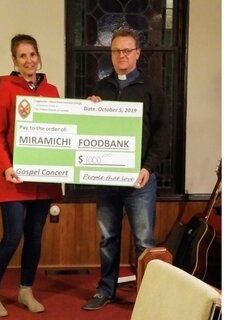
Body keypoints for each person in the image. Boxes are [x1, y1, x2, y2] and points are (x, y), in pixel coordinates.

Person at [82, 28, 170, 311]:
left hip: (139, 180)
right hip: (107, 179)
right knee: (108, 238)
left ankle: (148, 295)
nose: (122, 55)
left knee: (144, 241)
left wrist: (148, 167)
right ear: (111, 54)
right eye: (117, 50)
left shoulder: (152, 89)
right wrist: (88, 111)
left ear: (137, 53)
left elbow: (162, 134)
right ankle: (106, 289)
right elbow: (91, 134)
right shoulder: (101, 87)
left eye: (127, 50)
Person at [0, 34, 62, 317]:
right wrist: (6, 166)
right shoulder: (4, 89)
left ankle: (26, 289)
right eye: (22, 56)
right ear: (14, 60)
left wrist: (90, 107)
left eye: (32, 54)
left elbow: (62, 129)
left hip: (42, 179)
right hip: (13, 177)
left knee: (35, 235)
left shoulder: (51, 90)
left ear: (38, 56)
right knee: (13, 235)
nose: (29, 60)